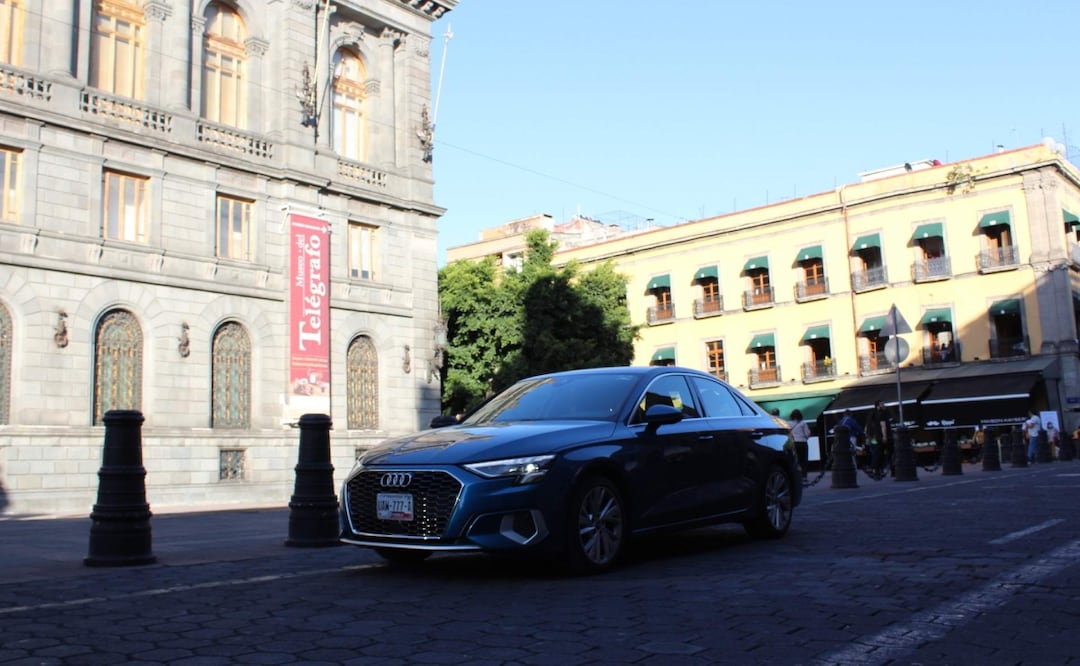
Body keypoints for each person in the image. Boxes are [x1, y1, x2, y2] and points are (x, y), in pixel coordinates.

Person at [866, 400, 892, 476]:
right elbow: (883, 425)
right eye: (882, 404)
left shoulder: (872, 414)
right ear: (878, 406)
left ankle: (875, 469)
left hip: (875, 437)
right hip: (881, 437)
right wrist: (885, 436)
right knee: (888, 452)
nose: (884, 405)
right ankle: (888, 469)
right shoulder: (881, 414)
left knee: (877, 453)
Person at [788, 409, 811, 479]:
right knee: (803, 460)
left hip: (794, 443)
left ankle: (797, 476)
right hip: (802, 443)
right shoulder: (803, 423)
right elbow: (807, 434)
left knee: (795, 460)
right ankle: (804, 476)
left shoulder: (788, 423)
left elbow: (789, 434)